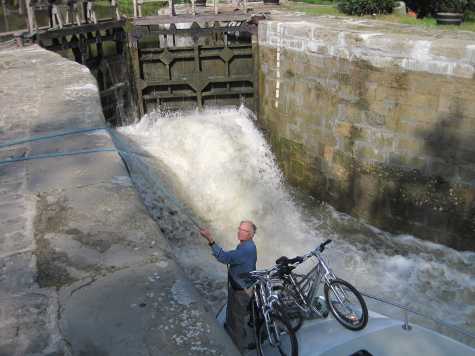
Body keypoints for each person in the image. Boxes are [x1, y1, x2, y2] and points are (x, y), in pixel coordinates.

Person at [199, 221, 257, 352]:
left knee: (237, 320)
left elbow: (224, 257)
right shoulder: (247, 245)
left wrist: (210, 239)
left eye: (244, 231)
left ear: (251, 234)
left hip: (241, 291)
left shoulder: (246, 249)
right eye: (240, 229)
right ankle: (233, 332)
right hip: (241, 287)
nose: (240, 232)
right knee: (233, 315)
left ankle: (238, 348)